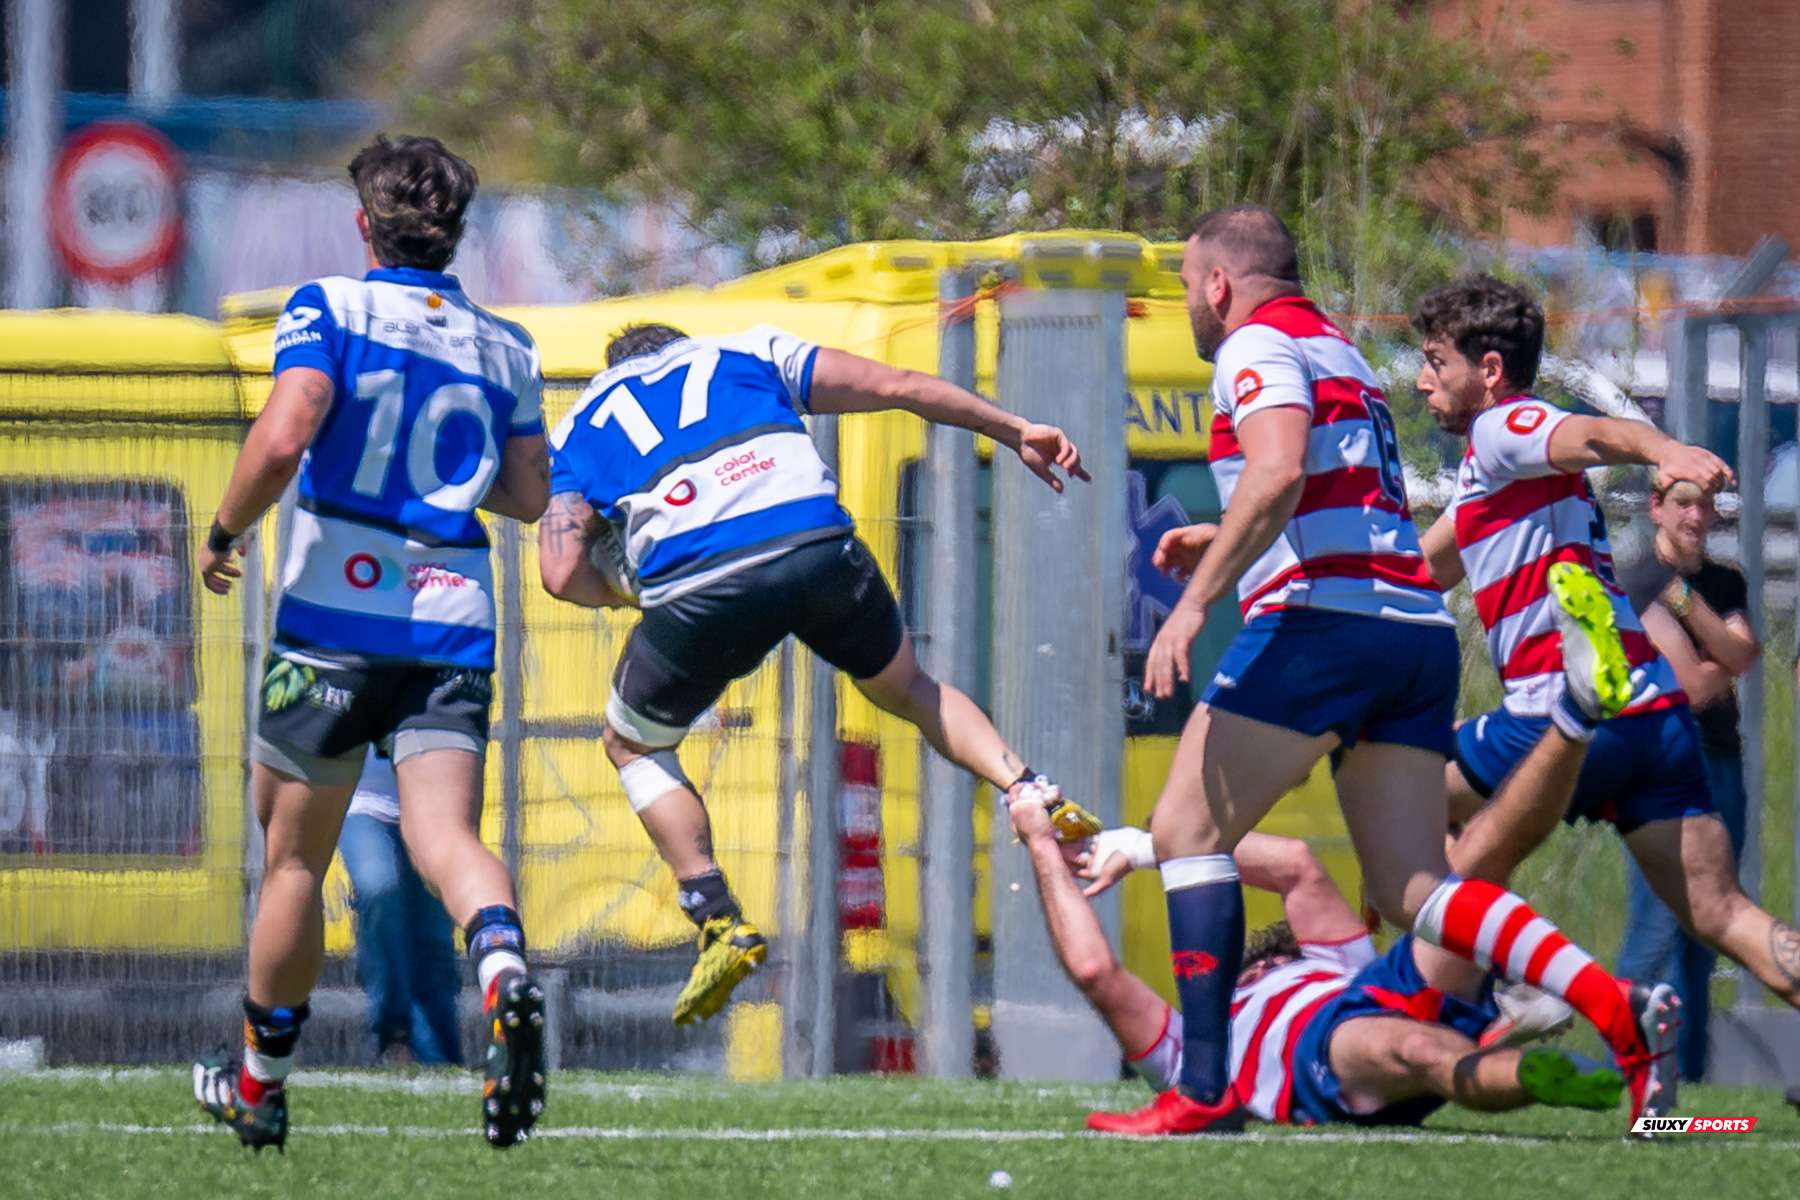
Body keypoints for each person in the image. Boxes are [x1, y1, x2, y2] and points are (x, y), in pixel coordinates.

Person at [1104, 204, 1674, 1136]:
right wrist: (1230, 538)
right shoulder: (1338, 351)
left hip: (1325, 627)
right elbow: (1335, 492)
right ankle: (1612, 1008)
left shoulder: (1252, 347)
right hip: (1411, 628)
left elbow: (1279, 467)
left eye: (1185, 290)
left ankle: (1202, 1089)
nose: (1189, 311)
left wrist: (1202, 598)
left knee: (1183, 831)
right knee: (1414, 889)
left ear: (1218, 284)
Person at [537, 322, 1103, 1025]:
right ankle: (1028, 788)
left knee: (635, 746)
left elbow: (559, 573)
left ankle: (716, 916)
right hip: (816, 548)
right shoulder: (746, 350)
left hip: (701, 583)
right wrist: (1014, 427)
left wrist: (639, 587)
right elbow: (900, 387)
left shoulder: (584, 418)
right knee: (909, 689)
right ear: (681, 344)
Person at [192, 135, 550, 1151]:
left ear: (365, 225)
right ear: (456, 235)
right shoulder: (504, 344)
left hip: (336, 619)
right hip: (454, 614)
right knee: (446, 839)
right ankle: (504, 972)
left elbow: (284, 433)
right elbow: (527, 493)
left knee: (295, 860)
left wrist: (222, 533)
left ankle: (260, 1084)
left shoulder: (329, 308)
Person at [1410, 276, 1800, 1073]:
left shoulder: (1501, 430)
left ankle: (1530, 991)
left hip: (1567, 713)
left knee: (1391, 798)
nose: (1422, 379)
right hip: (1653, 719)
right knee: (1724, 914)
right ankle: (1531, 997)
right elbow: (1421, 570)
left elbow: (1584, 431)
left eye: (1433, 361)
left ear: (1488, 369)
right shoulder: (1492, 478)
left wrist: (1664, 449)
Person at [1009, 797, 1622, 1131]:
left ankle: (1572, 714)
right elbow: (1097, 973)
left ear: (1259, 963)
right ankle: (1529, 1059)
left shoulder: (1329, 959)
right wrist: (1041, 842)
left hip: (1372, 990)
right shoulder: (1193, 1054)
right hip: (1323, 1051)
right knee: (1422, 1052)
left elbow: (1293, 863)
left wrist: (1160, 842)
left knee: (1475, 866)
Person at [1615, 478, 1760, 1083]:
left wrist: (1684, 604)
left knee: (1708, 928)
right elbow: (1698, 687)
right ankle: (1623, 1071)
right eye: (1682, 504)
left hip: (1723, 762)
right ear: (1656, 509)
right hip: (1665, 770)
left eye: (1705, 505)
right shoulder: (1634, 581)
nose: (1695, 516)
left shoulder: (1724, 583)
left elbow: (1746, 659)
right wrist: (1719, 652)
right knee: (1655, 928)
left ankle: (1687, 1080)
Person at [340, 747, 463, 1067]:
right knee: (378, 887)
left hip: (434, 809)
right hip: (364, 803)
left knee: (432, 935)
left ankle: (440, 1057)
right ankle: (392, 1033)